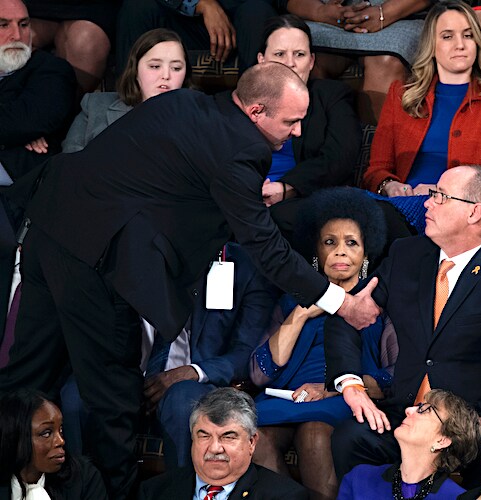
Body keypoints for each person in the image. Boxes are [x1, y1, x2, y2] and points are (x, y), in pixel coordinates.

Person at [0, 62, 380, 500]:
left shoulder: (186, 102)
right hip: (96, 257)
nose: (296, 132)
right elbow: (266, 248)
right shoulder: (240, 152)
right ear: (256, 111)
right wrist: (342, 302)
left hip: (49, 225)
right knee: (113, 398)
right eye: (291, 121)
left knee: (25, 375)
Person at [325, 165, 481, 482]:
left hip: (469, 425)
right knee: (350, 438)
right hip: (406, 415)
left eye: (439, 196)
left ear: (474, 212)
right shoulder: (406, 254)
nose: (427, 202)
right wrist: (350, 384)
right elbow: (348, 310)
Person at [59, 242, 278, 469]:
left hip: (194, 381)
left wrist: (192, 372)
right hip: (126, 372)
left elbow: (246, 353)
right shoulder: (123, 253)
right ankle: (82, 488)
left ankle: (182, 491)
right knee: (77, 395)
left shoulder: (243, 265)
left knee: (183, 401)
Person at [250, 187, 392, 500]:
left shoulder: (380, 303)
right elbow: (260, 373)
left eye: (351, 243)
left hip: (346, 397)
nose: (340, 252)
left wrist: (335, 387)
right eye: (330, 242)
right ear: (316, 253)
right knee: (253, 439)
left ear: (366, 253)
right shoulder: (290, 301)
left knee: (315, 434)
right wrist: (301, 314)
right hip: (285, 397)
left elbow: (397, 374)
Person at [363, 0, 481, 228]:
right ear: (431, 45)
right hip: (399, 203)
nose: (460, 45)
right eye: (447, 36)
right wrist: (389, 185)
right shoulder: (401, 95)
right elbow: (376, 168)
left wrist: (441, 191)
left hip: (458, 209)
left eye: (468, 35)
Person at [0, 0, 76, 339]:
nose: (16, 35)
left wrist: (20, 127)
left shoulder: (51, 71)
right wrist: (14, 136)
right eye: (3, 25)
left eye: (24, 24)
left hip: (17, 197)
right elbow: (18, 124)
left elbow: (35, 119)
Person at [255, 15, 361, 240]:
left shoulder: (332, 97)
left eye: (299, 55)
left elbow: (340, 157)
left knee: (280, 218)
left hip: (304, 198)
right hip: (246, 196)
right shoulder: (240, 101)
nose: (290, 63)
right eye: (279, 54)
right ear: (261, 60)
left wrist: (286, 187)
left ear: (311, 61)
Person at [138, 387, 308, 499]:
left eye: (228, 436)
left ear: (251, 442)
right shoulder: (154, 492)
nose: (214, 448)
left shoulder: (285, 496)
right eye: (204, 436)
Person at [286, 0, 431, 123]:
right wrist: (319, 11)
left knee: (385, 61)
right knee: (299, 54)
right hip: (330, 16)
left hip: (402, 14)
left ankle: (377, 150)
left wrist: (385, 13)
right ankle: (312, 148)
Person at [62, 28, 193, 154]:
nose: (166, 75)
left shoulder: (198, 120)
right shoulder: (94, 105)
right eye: (155, 66)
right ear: (135, 70)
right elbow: (68, 163)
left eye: (176, 68)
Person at [338, 389, 481, 499]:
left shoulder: (456, 497)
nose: (409, 410)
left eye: (424, 410)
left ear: (442, 440)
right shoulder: (359, 478)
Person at [115, 0, 277, 75]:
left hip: (244, 29)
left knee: (256, 11)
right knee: (137, 6)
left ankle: (256, 111)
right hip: (183, 22)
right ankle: (129, 106)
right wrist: (204, 4)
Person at [0, 389, 107, 500]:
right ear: (15, 437)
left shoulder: (85, 479)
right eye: (46, 433)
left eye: (60, 429)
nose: (60, 441)